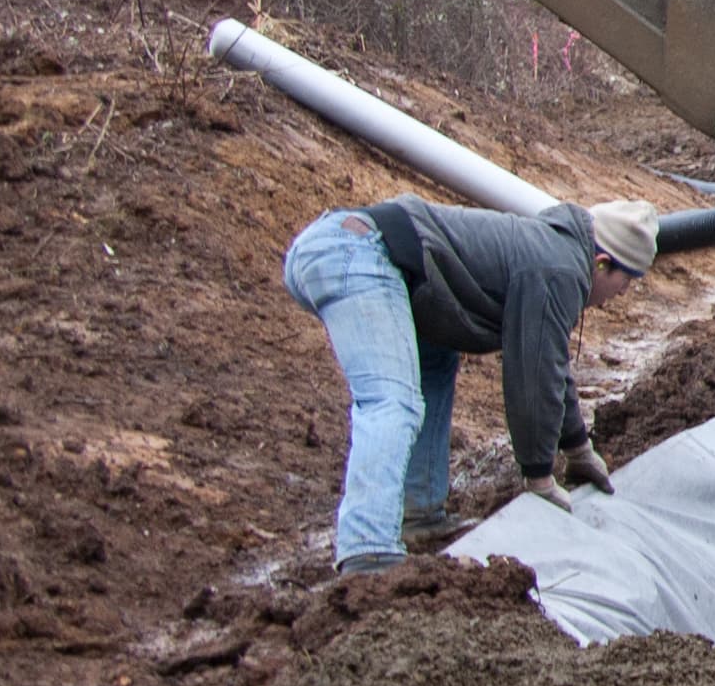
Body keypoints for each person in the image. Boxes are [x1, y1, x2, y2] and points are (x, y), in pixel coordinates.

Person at [279, 194, 658, 572]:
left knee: (436, 362)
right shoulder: (560, 268)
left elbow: (551, 363)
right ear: (602, 263)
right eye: (622, 287)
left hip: (362, 255)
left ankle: (419, 514)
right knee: (392, 401)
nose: (613, 300)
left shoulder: (552, 253)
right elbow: (533, 378)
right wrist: (539, 477)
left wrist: (577, 449)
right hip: (353, 253)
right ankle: (368, 549)